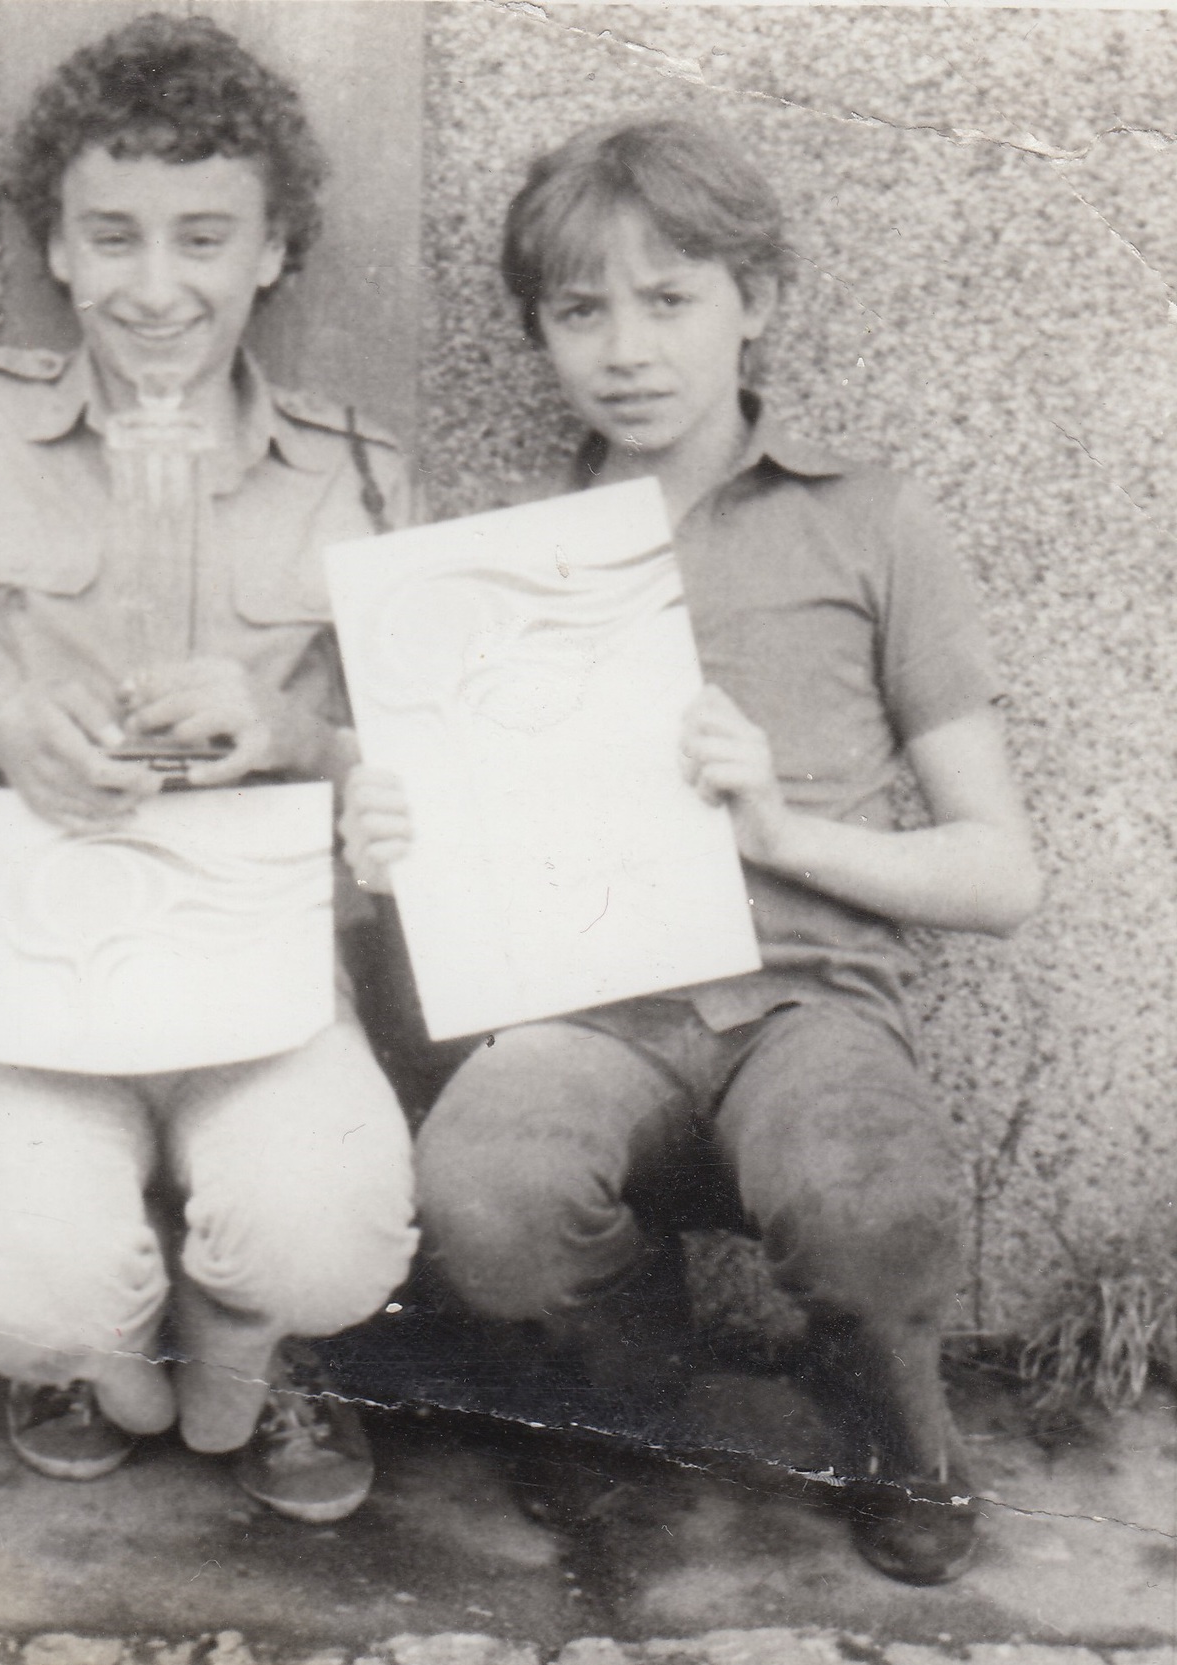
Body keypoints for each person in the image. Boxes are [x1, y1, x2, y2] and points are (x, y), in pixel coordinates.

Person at [339, 117, 1041, 1585]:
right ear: (539, 333)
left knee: (870, 1195)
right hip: (591, 1012)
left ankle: (889, 1420)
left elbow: (999, 873)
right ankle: (625, 1392)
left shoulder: (870, 523)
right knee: (485, 1185)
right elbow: (455, 890)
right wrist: (392, 846)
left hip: (808, 1004)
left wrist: (784, 830)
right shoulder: (500, 570)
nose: (628, 350)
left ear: (756, 301)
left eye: (671, 300)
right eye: (580, 311)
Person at [0, 14, 418, 1525]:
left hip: (272, 959)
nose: (155, 286)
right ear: (58, 248)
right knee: (14, 1283)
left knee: (333, 1237)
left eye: (205, 237)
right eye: (113, 235)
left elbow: (439, 773)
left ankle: (246, 1336)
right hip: (39, 948)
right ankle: (105, 1358)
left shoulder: (358, 472)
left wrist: (298, 742)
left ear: (274, 250)